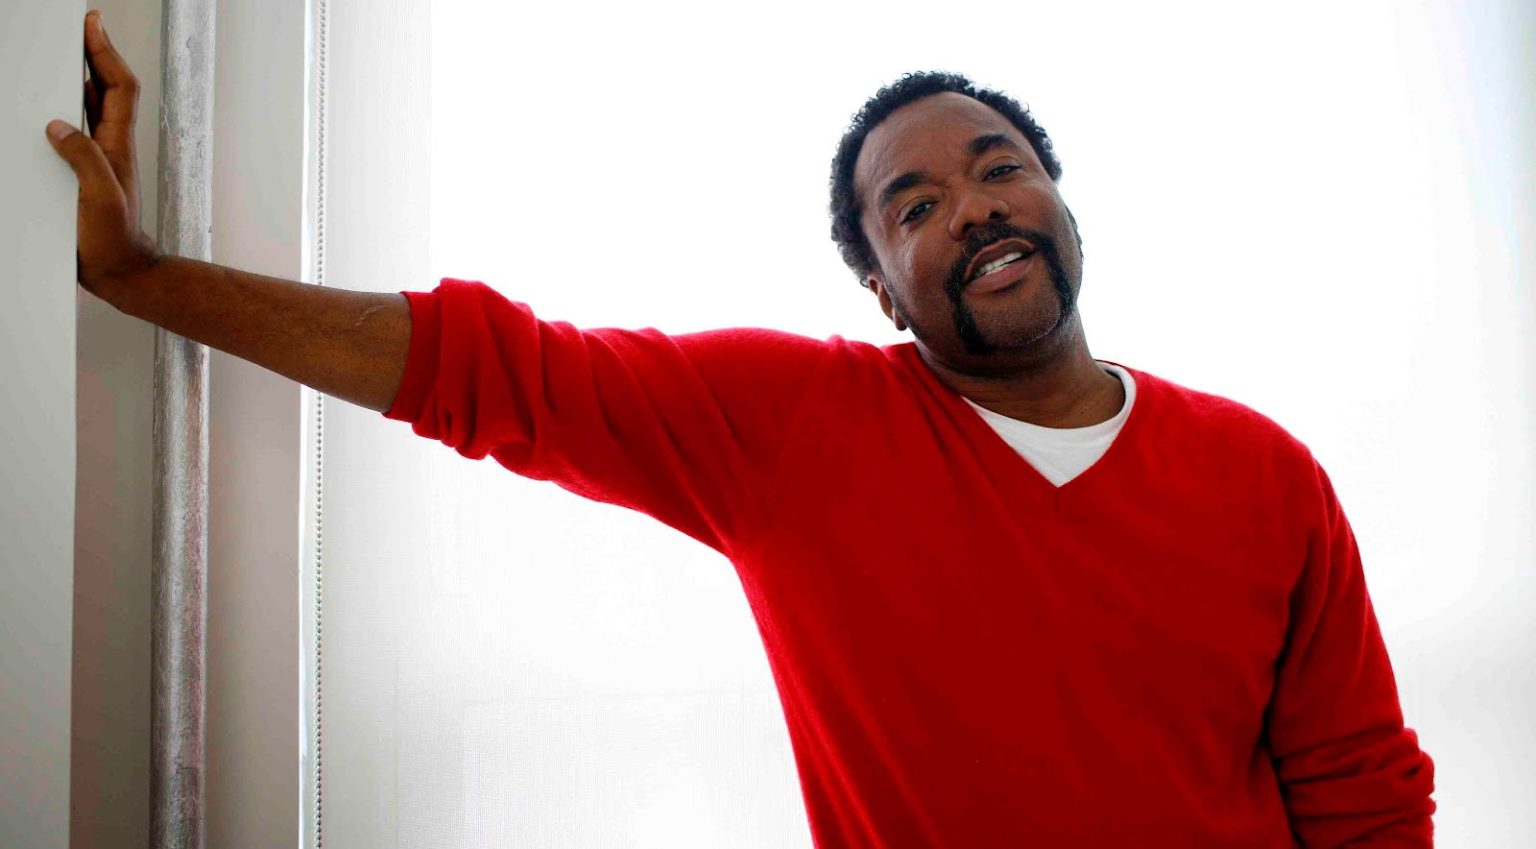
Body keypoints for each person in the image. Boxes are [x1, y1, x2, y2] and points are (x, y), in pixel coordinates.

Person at [49, 9, 1436, 847]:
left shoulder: (1266, 473)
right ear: (881, 291)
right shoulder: (794, 430)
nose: (974, 207)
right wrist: (142, 276)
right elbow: (491, 369)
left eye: (1000, 168)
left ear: (1061, 203)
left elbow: (1360, 791)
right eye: (915, 206)